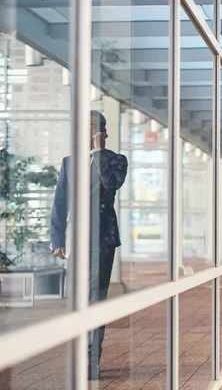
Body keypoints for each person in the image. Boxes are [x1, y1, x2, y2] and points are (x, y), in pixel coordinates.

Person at [50, 110, 128, 380]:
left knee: (95, 300)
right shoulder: (69, 162)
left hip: (102, 242)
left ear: (102, 133)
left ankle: (89, 362)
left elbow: (111, 184)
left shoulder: (116, 161)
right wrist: (57, 239)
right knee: (76, 301)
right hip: (75, 243)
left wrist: (100, 153)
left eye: (95, 129)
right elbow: (61, 202)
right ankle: (80, 355)